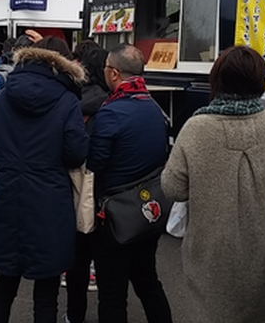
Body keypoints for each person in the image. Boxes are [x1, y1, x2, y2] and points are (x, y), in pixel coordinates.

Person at [161, 45, 265, 323]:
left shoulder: (196, 128)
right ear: (261, 82)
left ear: (216, 80)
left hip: (211, 262)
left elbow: (173, 188)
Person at [0, 38, 88, 323]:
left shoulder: (5, 94)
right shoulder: (67, 99)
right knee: (47, 290)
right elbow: (75, 152)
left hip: (8, 190)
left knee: (4, 284)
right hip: (49, 198)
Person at [87, 43, 172, 323]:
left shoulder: (111, 112)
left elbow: (95, 163)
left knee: (112, 293)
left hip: (115, 215)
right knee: (148, 280)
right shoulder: (153, 108)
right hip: (148, 210)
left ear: (113, 73)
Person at [64, 45, 109, 323]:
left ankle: (74, 316)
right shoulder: (113, 103)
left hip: (74, 191)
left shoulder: (70, 101)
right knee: (109, 264)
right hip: (108, 196)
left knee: (76, 262)